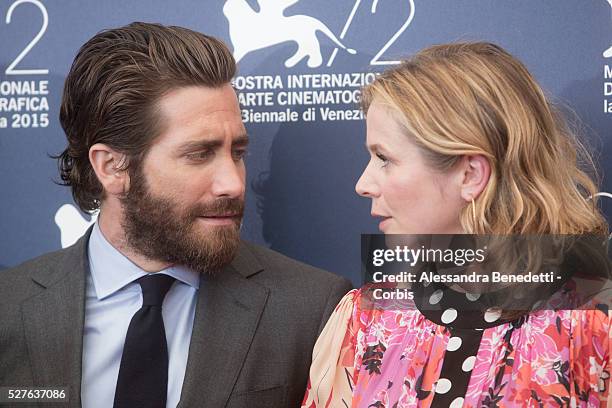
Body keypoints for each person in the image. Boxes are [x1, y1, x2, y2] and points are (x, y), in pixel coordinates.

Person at [0, 22, 352, 408]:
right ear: (112, 167)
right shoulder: (8, 306)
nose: (233, 184)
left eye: (237, 152)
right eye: (199, 154)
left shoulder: (311, 308)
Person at [302, 42, 611, 407]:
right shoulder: (364, 321)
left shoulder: (596, 327)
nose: (362, 184)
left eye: (384, 158)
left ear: (470, 174)